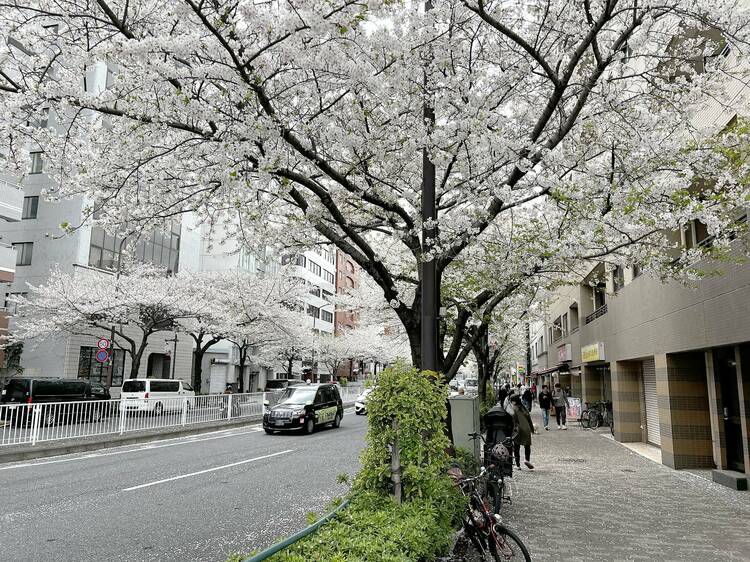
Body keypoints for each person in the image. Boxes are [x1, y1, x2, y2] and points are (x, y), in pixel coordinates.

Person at [509, 395, 534, 469]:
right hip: (527, 429)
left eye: (512, 400)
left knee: (516, 447)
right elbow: (529, 419)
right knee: (527, 445)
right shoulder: (524, 408)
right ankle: (527, 460)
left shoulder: (514, 408)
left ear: (514, 401)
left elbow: (513, 420)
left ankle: (518, 465)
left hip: (518, 430)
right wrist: (532, 429)